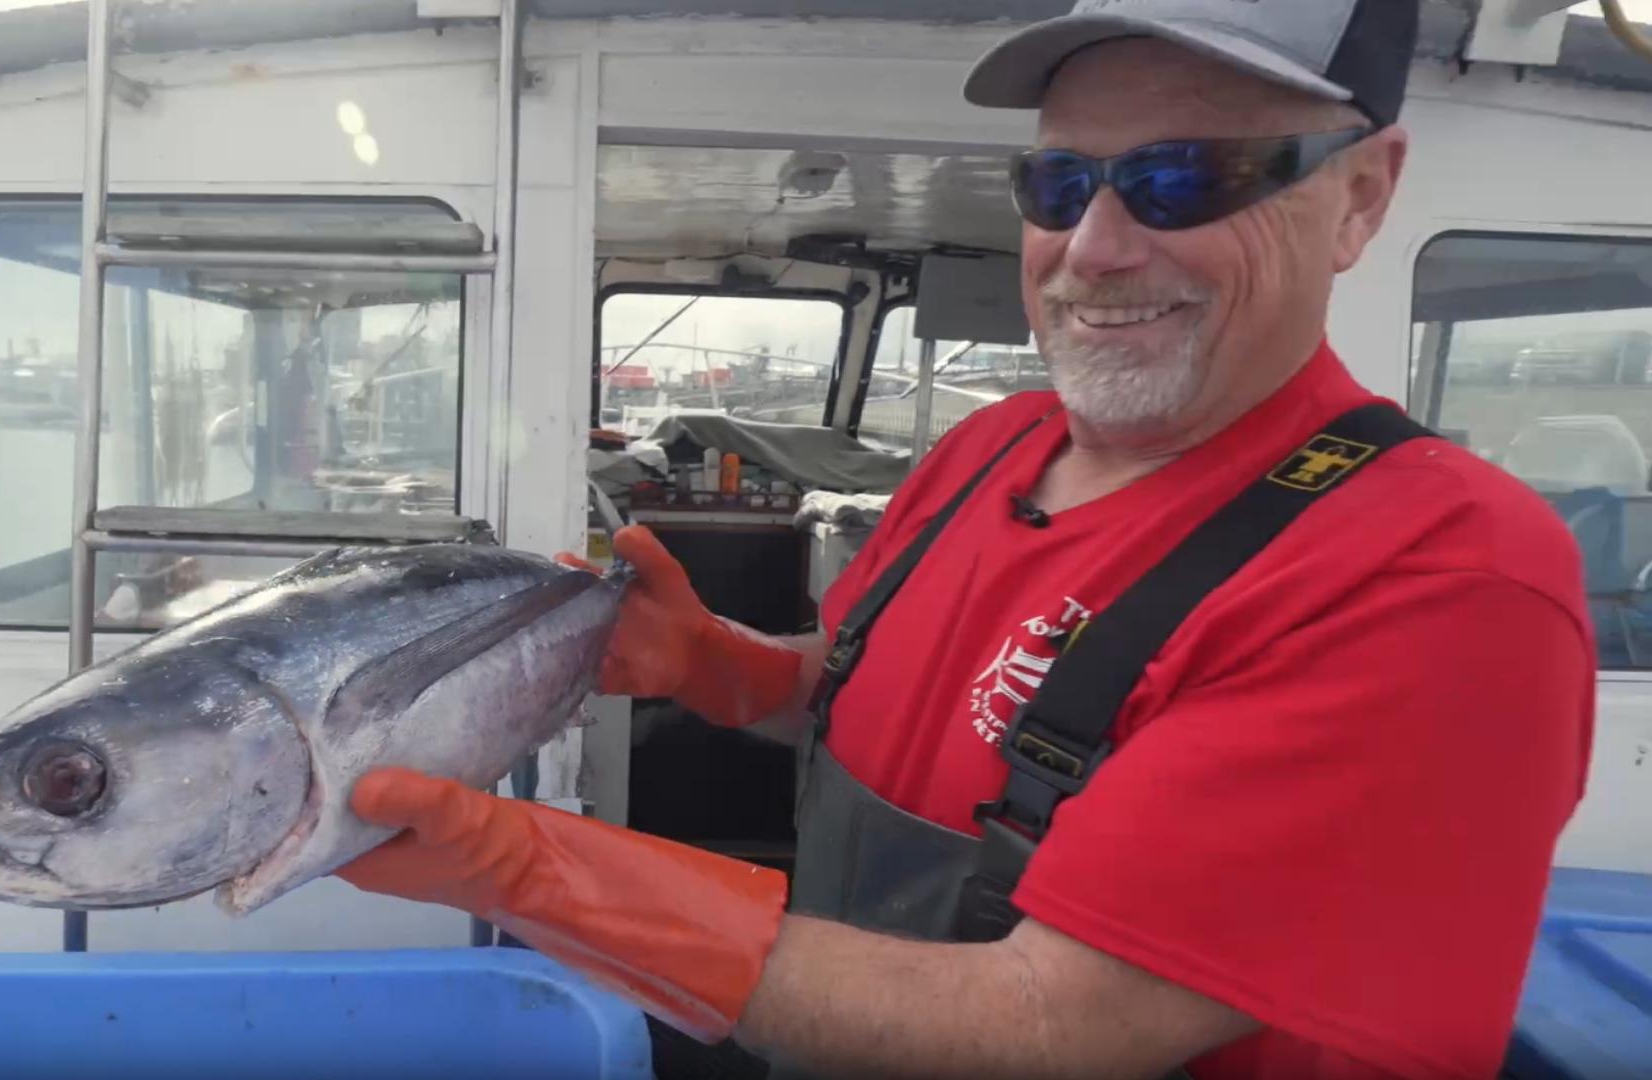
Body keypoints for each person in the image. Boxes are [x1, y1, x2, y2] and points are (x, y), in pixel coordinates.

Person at [331, 2, 1597, 1076]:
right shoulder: (990, 446)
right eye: (1059, 182)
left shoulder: (1441, 574)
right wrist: (722, 666)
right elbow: (887, 699)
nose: (1095, 248)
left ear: (1361, 197)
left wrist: (533, 868)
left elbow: (1054, 1020)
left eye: (1187, 179)